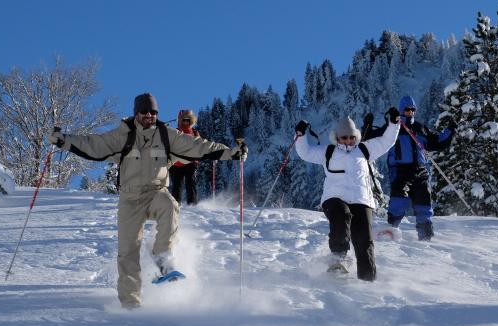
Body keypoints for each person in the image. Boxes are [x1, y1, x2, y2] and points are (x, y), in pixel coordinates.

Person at [48, 93, 247, 309]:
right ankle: (130, 305)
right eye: (145, 112)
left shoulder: (166, 135)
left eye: (153, 112)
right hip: (130, 198)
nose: (149, 116)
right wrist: (65, 141)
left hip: (156, 191)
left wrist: (230, 153)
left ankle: (162, 257)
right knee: (128, 252)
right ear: (136, 113)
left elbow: (197, 145)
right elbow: (94, 144)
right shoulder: (123, 135)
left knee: (170, 205)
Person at [294, 108, 400, 281]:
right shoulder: (328, 152)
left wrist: (394, 123)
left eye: (351, 137)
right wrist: (300, 135)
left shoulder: (365, 150)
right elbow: (305, 152)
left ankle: (367, 280)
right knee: (342, 215)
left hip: (361, 199)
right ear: (337, 138)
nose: (348, 140)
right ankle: (338, 258)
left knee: (364, 240)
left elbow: (387, 141)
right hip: (334, 198)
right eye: (344, 137)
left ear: (356, 136)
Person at [374, 95, 455, 241]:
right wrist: (368, 126)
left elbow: (438, 142)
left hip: (420, 170)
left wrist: (450, 129)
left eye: (412, 110)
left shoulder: (420, 128)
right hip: (400, 170)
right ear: (401, 110)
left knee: (423, 202)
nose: (410, 112)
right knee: (399, 201)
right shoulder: (393, 128)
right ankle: (390, 231)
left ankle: (426, 237)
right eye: (406, 110)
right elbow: (373, 139)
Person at [169, 110, 200, 206]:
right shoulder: (176, 132)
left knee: (191, 182)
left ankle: (192, 205)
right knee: (177, 186)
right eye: (183, 120)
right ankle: (175, 205)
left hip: (191, 162)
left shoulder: (194, 132)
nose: (186, 122)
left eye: (188, 120)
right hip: (177, 163)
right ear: (179, 121)